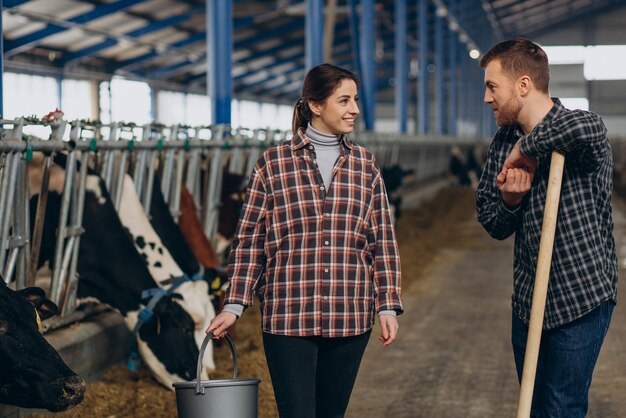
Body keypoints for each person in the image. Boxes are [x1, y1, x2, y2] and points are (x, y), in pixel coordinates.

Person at [206, 63, 403, 418]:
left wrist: (387, 304)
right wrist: (234, 304)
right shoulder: (273, 164)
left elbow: (382, 241)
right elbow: (250, 240)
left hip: (350, 315)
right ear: (315, 105)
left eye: (355, 100)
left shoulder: (366, 166)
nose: (355, 109)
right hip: (287, 317)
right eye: (344, 100)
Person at [476, 37, 617, 418]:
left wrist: (526, 149)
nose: (487, 98)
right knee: (534, 406)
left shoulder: (577, 131)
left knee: (561, 409)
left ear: (523, 85)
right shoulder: (504, 138)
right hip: (528, 299)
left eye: (493, 87)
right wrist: (511, 201)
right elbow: (490, 219)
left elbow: (589, 126)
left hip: (581, 298)